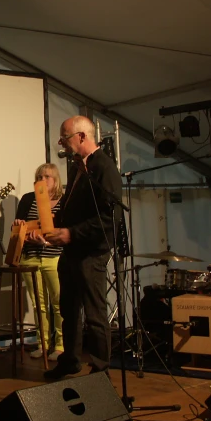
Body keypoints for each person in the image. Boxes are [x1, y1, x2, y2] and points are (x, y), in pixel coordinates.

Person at [44, 116, 122, 379]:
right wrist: (49, 230)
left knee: (94, 314)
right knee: (69, 311)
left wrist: (70, 234)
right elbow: (70, 210)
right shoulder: (79, 168)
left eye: (64, 137)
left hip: (91, 253)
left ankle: (101, 370)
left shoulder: (103, 168)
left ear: (81, 137)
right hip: (73, 252)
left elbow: (109, 219)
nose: (61, 143)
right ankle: (70, 361)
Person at [13, 163, 64, 361]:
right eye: (39, 176)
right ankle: (43, 344)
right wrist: (20, 228)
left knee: (59, 302)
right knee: (38, 304)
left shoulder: (63, 200)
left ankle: (60, 345)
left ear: (56, 180)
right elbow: (19, 227)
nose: (43, 180)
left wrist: (46, 239)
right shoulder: (27, 199)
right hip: (31, 256)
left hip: (55, 256)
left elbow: (64, 229)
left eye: (47, 176)